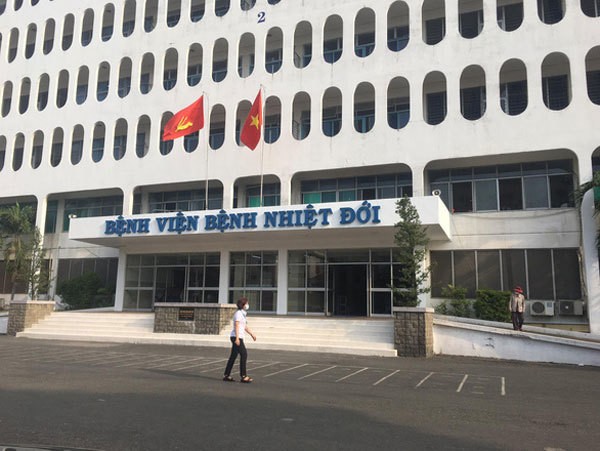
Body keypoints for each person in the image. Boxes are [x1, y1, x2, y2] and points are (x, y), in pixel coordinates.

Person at [223, 297, 256, 383]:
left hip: (238, 337)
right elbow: (236, 326)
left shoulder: (243, 314)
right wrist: (237, 339)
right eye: (246, 303)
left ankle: (227, 375)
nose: (248, 305)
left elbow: (244, 326)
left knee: (233, 356)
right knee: (244, 354)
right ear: (243, 305)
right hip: (236, 337)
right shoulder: (238, 313)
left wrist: (252, 334)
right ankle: (243, 376)